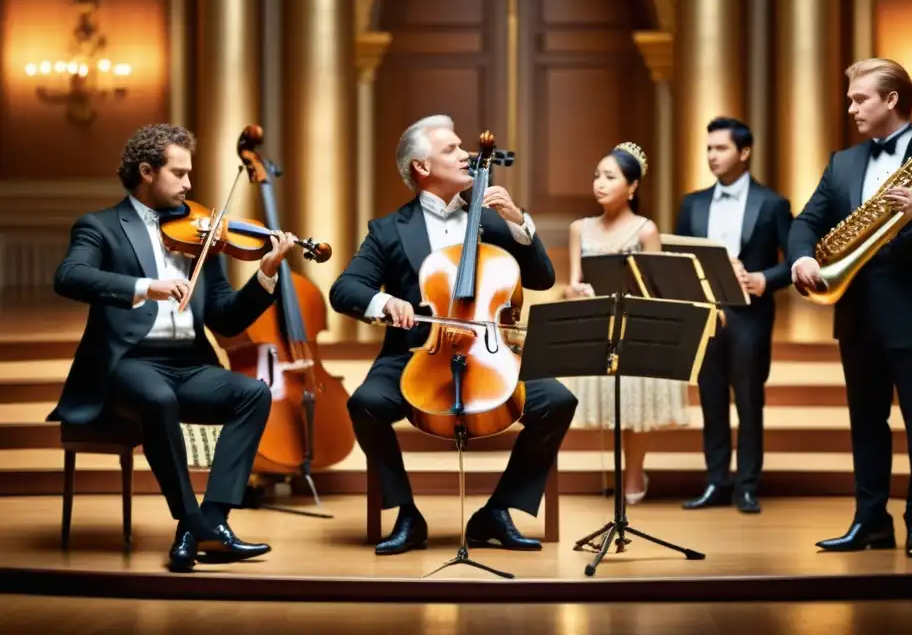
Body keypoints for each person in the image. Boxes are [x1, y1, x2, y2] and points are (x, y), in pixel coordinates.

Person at [48, 124, 296, 573]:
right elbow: (69, 277)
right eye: (178, 173)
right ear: (147, 171)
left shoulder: (200, 232)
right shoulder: (100, 227)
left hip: (189, 363)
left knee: (252, 393)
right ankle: (190, 518)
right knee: (158, 398)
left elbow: (224, 316)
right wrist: (148, 287)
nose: (188, 183)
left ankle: (210, 523)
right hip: (129, 363)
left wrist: (265, 275)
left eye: (189, 173)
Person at [330, 114, 577, 555]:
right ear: (421, 168)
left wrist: (520, 222)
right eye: (450, 149)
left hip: (490, 353)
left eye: (464, 148)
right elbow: (344, 289)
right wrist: (386, 303)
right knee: (365, 404)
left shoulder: (493, 220)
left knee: (557, 400)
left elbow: (541, 278)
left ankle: (498, 511)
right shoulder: (388, 229)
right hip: (417, 355)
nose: (465, 155)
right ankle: (406, 513)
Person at [790, 58, 912, 558]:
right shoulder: (843, 163)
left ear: (891, 100)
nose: (851, 107)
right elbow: (806, 220)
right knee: (866, 423)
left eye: (860, 99)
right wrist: (803, 256)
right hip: (857, 314)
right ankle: (870, 522)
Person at [676, 118, 793, 514]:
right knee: (710, 399)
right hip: (707, 314)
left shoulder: (773, 203)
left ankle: (746, 486)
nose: (712, 155)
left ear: (744, 152)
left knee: (748, 399)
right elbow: (677, 257)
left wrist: (763, 278)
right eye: (708, 148)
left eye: (720, 148)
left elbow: (795, 261)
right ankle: (716, 482)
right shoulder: (692, 203)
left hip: (750, 314)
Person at [561, 142, 688, 504]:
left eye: (610, 177)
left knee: (636, 405)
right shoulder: (579, 228)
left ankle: (633, 472)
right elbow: (572, 284)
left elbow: (656, 288)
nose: (599, 183)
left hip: (635, 328)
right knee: (611, 406)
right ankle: (617, 471)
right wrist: (577, 291)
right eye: (596, 176)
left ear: (632, 187)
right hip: (597, 326)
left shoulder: (646, 230)